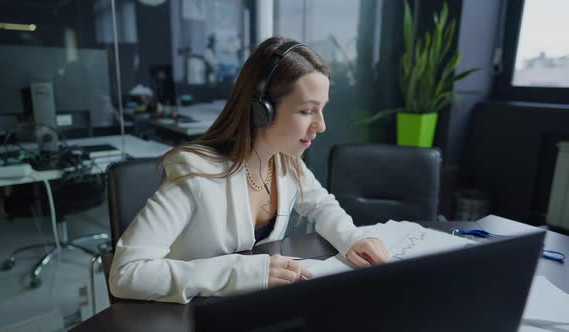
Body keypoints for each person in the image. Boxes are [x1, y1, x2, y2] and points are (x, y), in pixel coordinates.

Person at [109, 37, 390, 304]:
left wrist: (353, 238)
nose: (321, 125)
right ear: (262, 110)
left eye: (322, 110)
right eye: (307, 111)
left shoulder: (286, 162)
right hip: (189, 318)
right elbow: (126, 273)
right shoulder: (195, 175)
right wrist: (242, 272)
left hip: (249, 310)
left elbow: (323, 206)